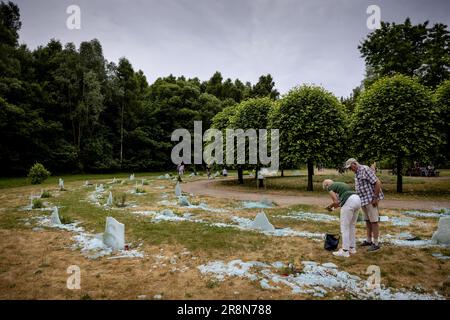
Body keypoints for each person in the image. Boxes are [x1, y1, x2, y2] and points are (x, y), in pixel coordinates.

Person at [345, 158, 384, 252]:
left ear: (355, 164)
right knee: (367, 220)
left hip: (371, 199)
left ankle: (376, 243)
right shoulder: (357, 173)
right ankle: (369, 240)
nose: (350, 169)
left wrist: (375, 197)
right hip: (363, 200)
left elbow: (377, 182)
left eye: (351, 167)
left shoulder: (365, 169)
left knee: (374, 221)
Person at [323, 179, 361, 258]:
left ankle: (345, 251)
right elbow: (340, 202)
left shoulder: (330, 187)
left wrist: (329, 207)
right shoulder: (340, 184)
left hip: (349, 202)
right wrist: (332, 208)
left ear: (327, 185)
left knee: (344, 227)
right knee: (352, 226)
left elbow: (336, 201)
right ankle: (352, 248)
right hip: (357, 200)